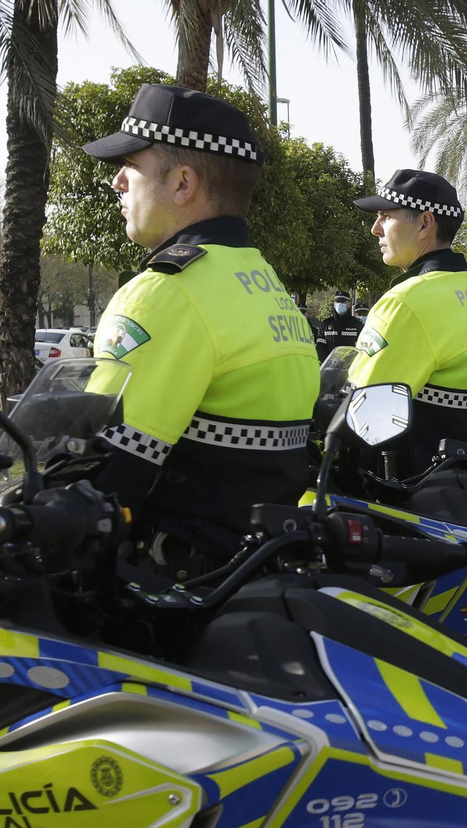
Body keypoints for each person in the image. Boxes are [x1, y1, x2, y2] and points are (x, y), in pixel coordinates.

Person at [81, 82, 318, 574]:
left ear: (183, 184)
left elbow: (104, 470)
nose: (117, 182)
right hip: (254, 573)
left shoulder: (167, 292)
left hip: (168, 592)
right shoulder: (263, 282)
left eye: (131, 165)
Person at [347, 168, 467, 470]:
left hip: (407, 489)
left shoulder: (407, 301)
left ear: (424, 223)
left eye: (386, 216)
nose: (375, 228)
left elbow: (360, 409)